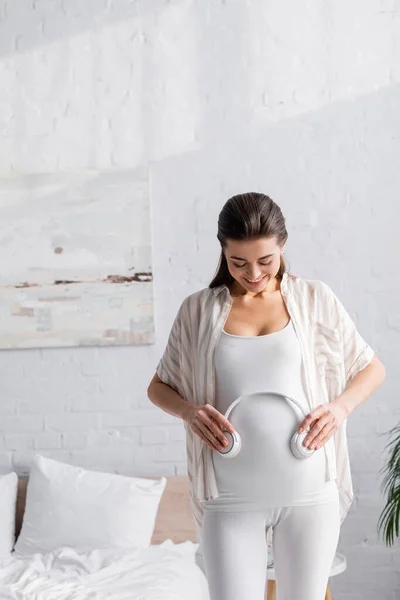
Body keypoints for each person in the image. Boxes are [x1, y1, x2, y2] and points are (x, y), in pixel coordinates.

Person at [147, 192, 386, 600]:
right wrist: (189, 411)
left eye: (265, 260)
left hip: (311, 495)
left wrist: (339, 407)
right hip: (229, 498)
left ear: (283, 246)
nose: (253, 273)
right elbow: (159, 387)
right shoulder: (198, 310)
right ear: (223, 252)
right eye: (238, 262)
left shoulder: (315, 299)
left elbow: (372, 369)